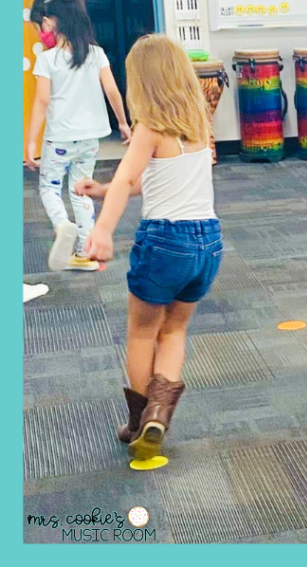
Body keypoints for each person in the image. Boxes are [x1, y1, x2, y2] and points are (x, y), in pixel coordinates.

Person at [76, 35, 222, 462]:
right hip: (208, 243)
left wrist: (102, 230)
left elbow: (126, 179)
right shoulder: (197, 124)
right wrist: (104, 191)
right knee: (173, 330)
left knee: (142, 332)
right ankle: (159, 413)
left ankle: (140, 422)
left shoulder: (149, 127)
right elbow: (154, 180)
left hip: (165, 242)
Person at [24, 0, 130, 272]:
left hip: (59, 138)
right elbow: (112, 90)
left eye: (39, 27)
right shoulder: (95, 54)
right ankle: (86, 252)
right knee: (81, 189)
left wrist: (31, 142)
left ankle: (61, 226)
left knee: (49, 187)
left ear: (49, 23)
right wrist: (123, 122)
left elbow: (42, 101)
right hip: (90, 138)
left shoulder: (47, 60)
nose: (39, 33)